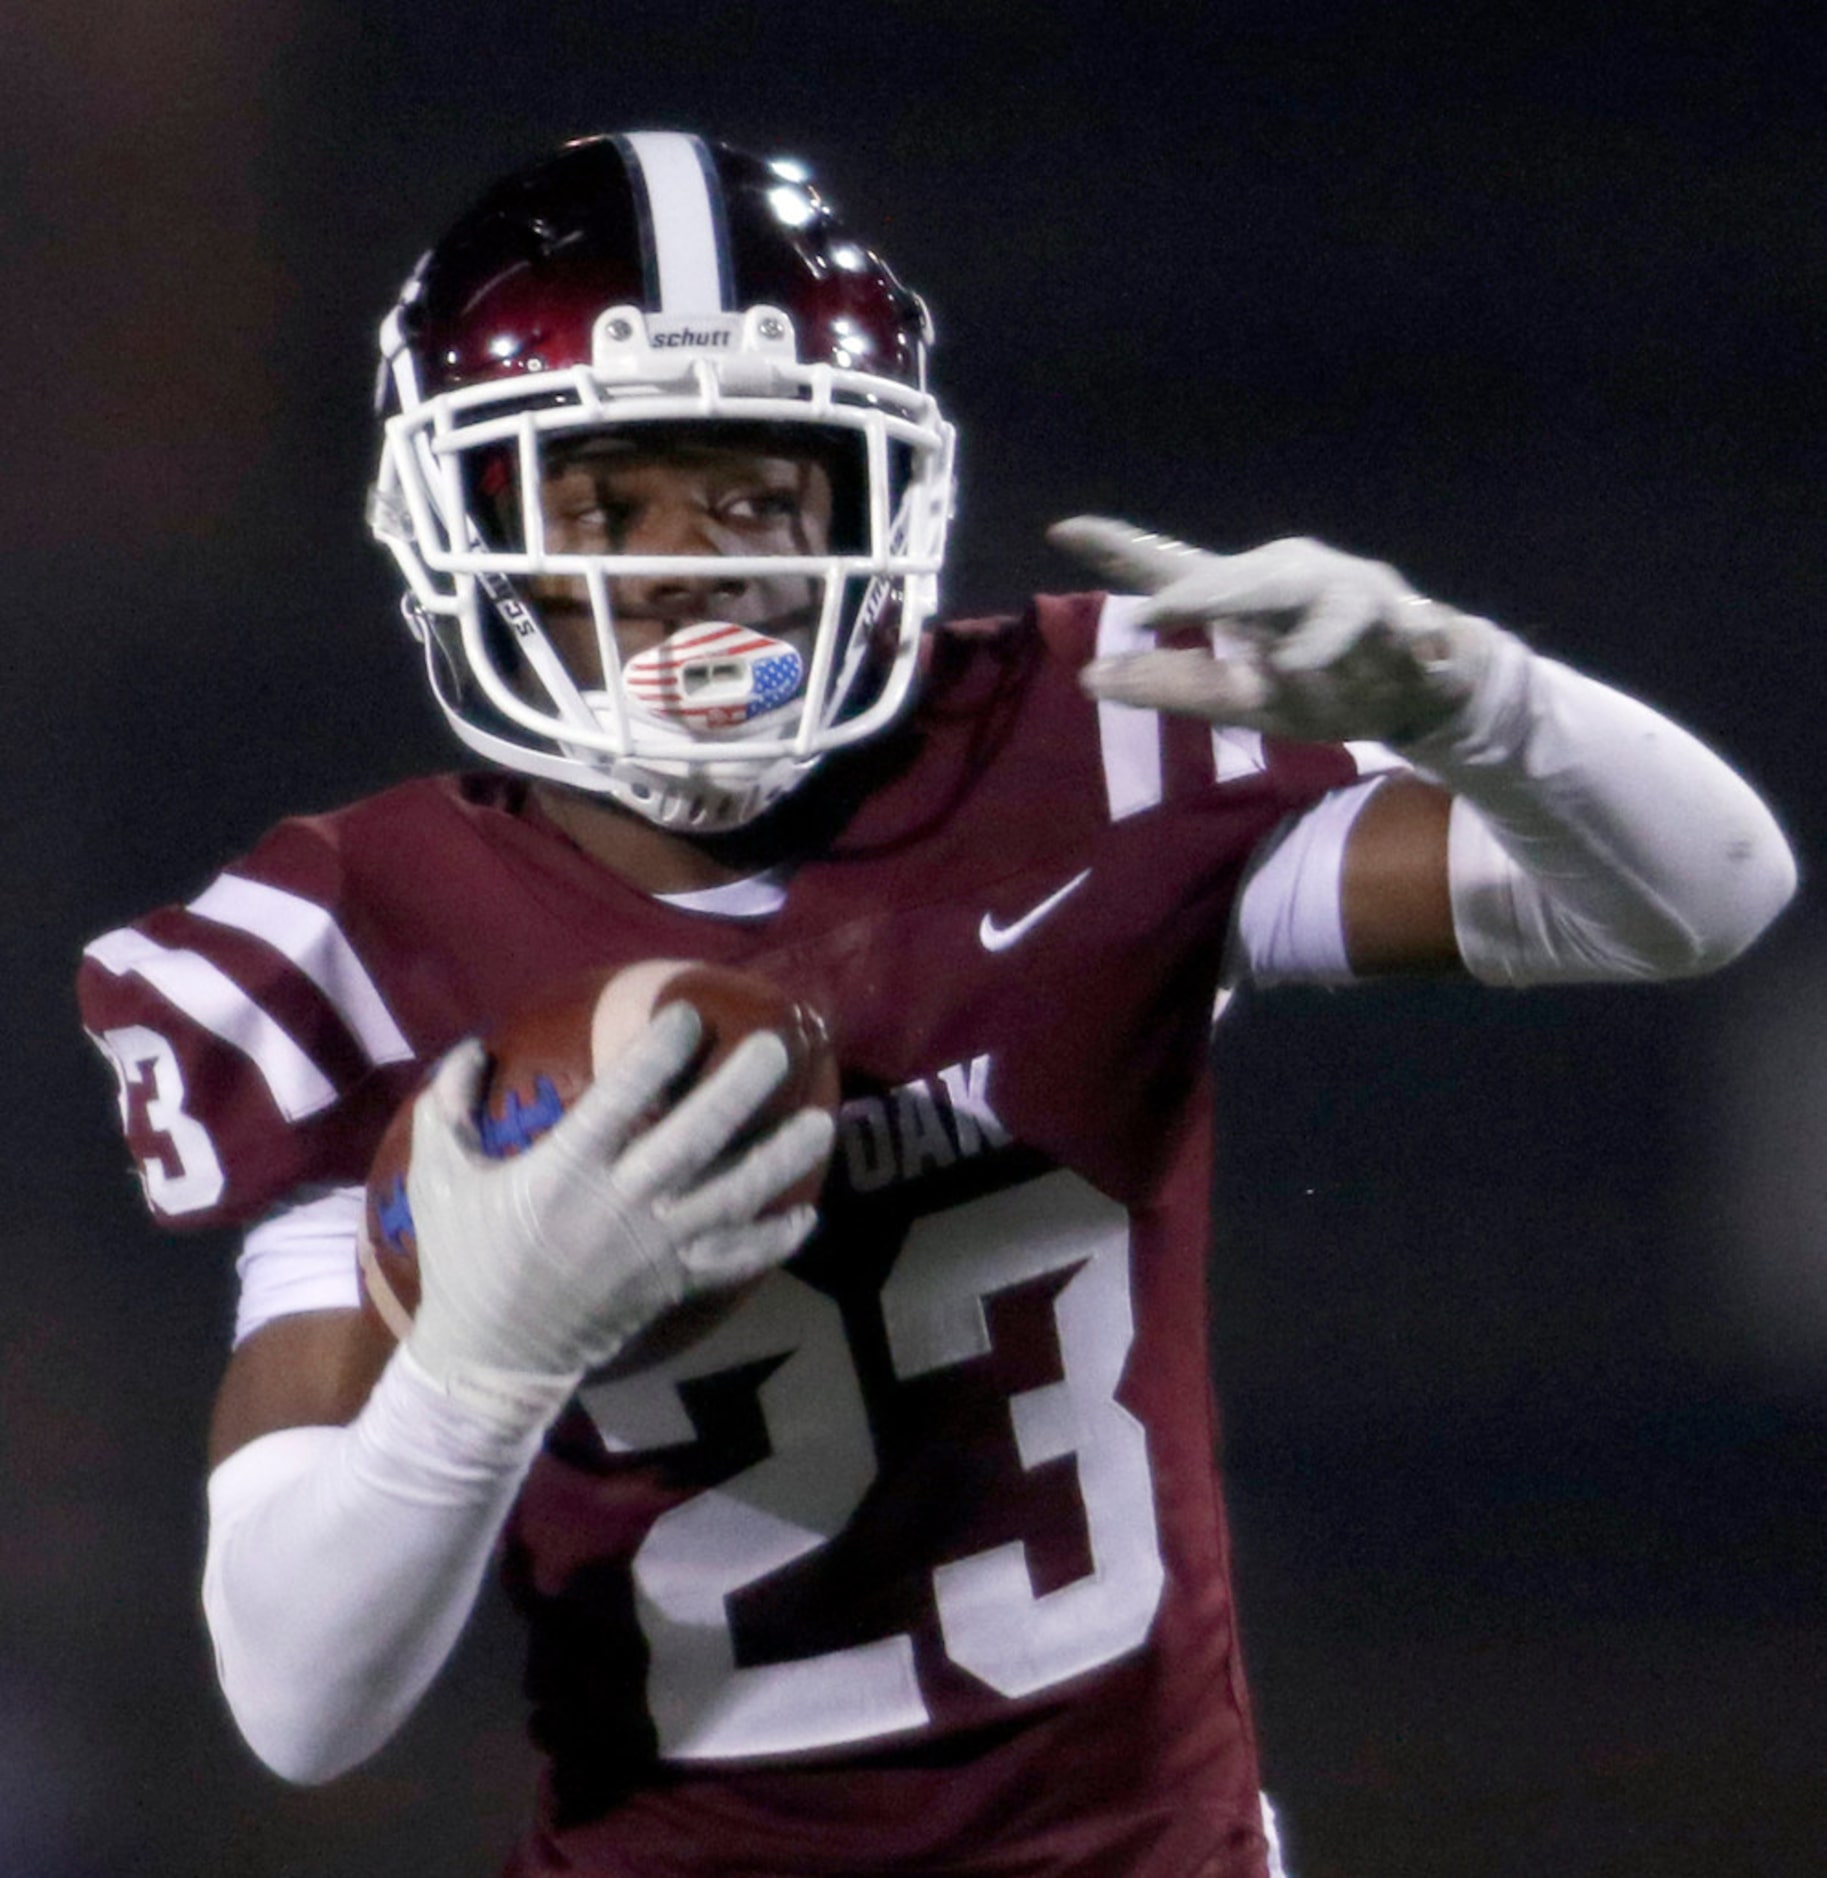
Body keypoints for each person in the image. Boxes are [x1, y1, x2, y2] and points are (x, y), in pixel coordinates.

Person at [77, 132, 1795, 1878]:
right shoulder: (349, 939)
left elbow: (1702, 895)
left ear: (874, 499)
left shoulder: (1083, 739)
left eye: (758, 494)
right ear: (467, 528)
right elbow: (301, 1707)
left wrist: (1470, 692)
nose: (691, 563)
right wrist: (482, 1364)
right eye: (604, 500)